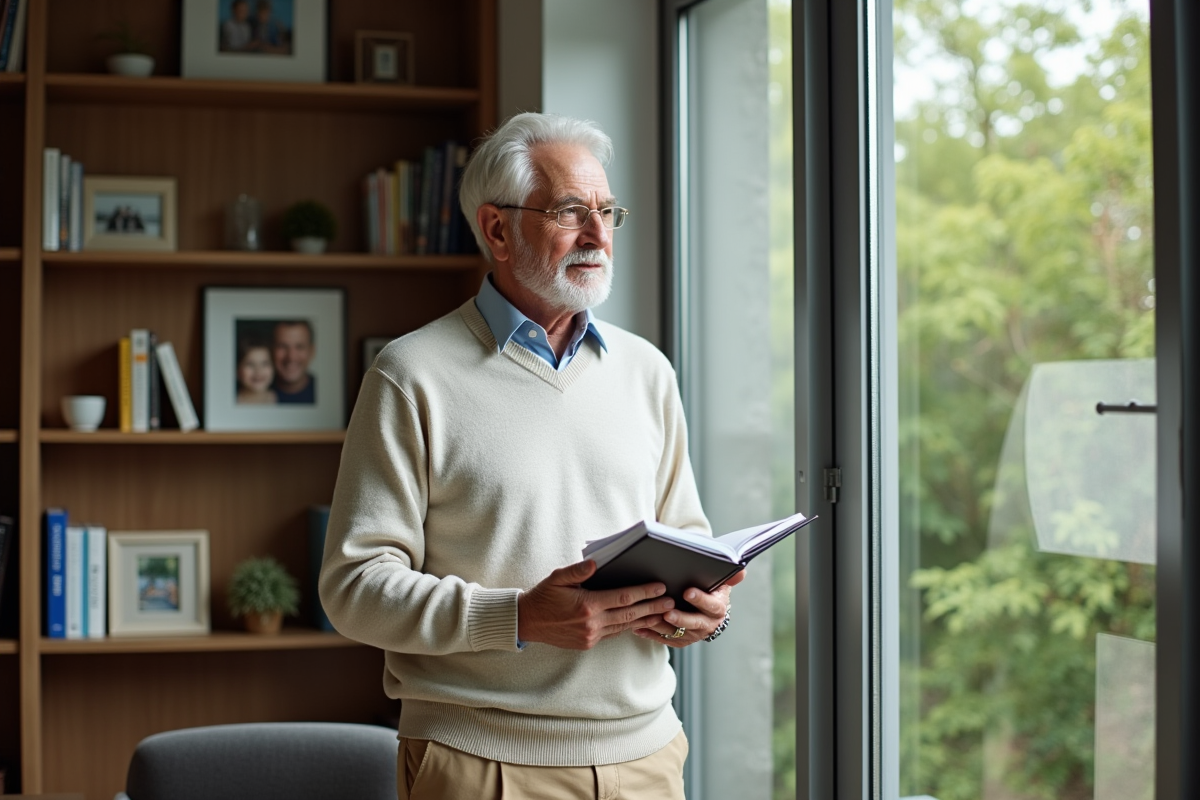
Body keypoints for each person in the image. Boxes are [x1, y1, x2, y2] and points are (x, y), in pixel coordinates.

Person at [319, 112, 739, 800]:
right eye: (572, 211)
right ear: (497, 230)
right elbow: (354, 589)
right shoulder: (410, 375)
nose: (599, 236)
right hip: (481, 764)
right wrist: (516, 617)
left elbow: (684, 534)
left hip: (649, 758)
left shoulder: (648, 370)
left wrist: (703, 605)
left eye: (607, 211)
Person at [270, 320, 315, 403]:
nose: (291, 357)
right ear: (271, 350)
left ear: (312, 351)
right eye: (282, 346)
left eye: (299, 347)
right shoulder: (254, 395)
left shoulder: (328, 392)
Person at [235, 338, 277, 404]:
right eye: (250, 364)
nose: (258, 371)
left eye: (265, 363)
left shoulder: (279, 399)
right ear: (237, 370)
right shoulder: (232, 401)